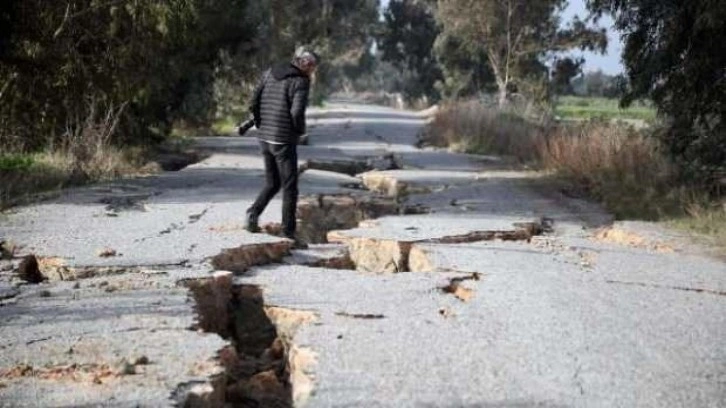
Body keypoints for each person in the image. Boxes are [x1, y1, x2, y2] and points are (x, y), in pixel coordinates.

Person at [244, 47, 319, 248]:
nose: (312, 72)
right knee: (290, 187)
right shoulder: (301, 81)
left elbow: (253, 101)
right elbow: (296, 113)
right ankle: (288, 231)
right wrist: (299, 131)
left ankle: (253, 213)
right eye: (312, 67)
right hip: (283, 140)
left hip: (265, 138)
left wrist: (260, 123)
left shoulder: (270, 72)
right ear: (306, 64)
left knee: (272, 182)